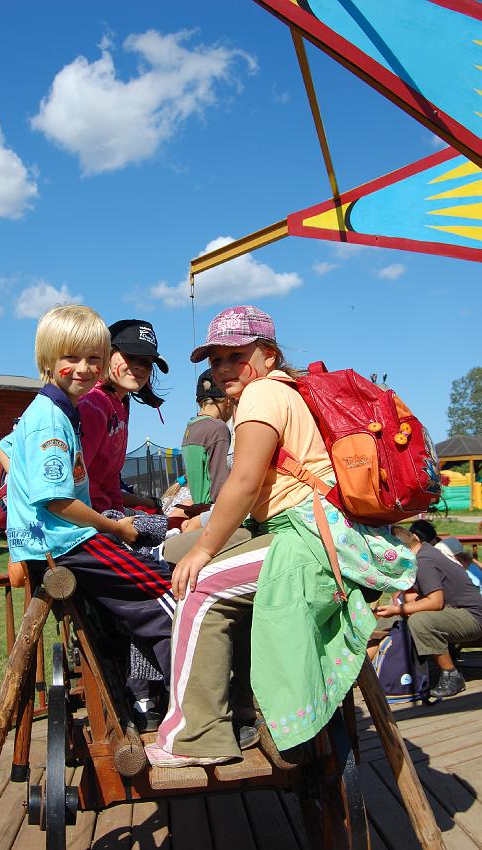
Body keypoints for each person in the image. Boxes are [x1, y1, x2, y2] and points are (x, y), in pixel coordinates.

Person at [145, 304, 416, 768]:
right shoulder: (284, 390)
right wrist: (197, 537)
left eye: (236, 356)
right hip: (302, 528)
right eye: (215, 360)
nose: (223, 368)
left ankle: (197, 736)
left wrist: (205, 548)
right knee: (175, 552)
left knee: (200, 587)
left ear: (268, 354)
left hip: (307, 537)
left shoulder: (262, 393)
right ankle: (239, 703)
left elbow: (245, 483)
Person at [3, 305, 175, 715]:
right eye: (71, 358)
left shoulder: (68, 410)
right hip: (68, 539)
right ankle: (181, 706)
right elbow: (56, 498)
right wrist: (114, 528)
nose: (83, 369)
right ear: (48, 359)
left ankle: (152, 698)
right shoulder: (60, 417)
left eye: (92, 359)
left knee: (162, 579)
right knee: (173, 598)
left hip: (65, 536)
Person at [374, 525, 482, 698]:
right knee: (391, 621)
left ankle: (451, 675)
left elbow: (435, 602)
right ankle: (367, 673)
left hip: (472, 617)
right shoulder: (421, 554)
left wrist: (398, 609)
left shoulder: (424, 561)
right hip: (455, 612)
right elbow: (412, 599)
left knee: (420, 621)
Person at [78, 319, 168, 515]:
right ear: (106, 354)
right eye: (130, 356)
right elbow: (77, 479)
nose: (140, 367)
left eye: (147, 362)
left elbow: (110, 479)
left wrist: (119, 511)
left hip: (103, 510)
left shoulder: (120, 402)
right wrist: (114, 524)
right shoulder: (93, 403)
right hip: (84, 516)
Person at [181, 368, 234, 504]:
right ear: (228, 400)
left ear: (200, 402)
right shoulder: (217, 428)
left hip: (198, 507)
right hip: (214, 508)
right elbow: (220, 481)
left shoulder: (191, 427)